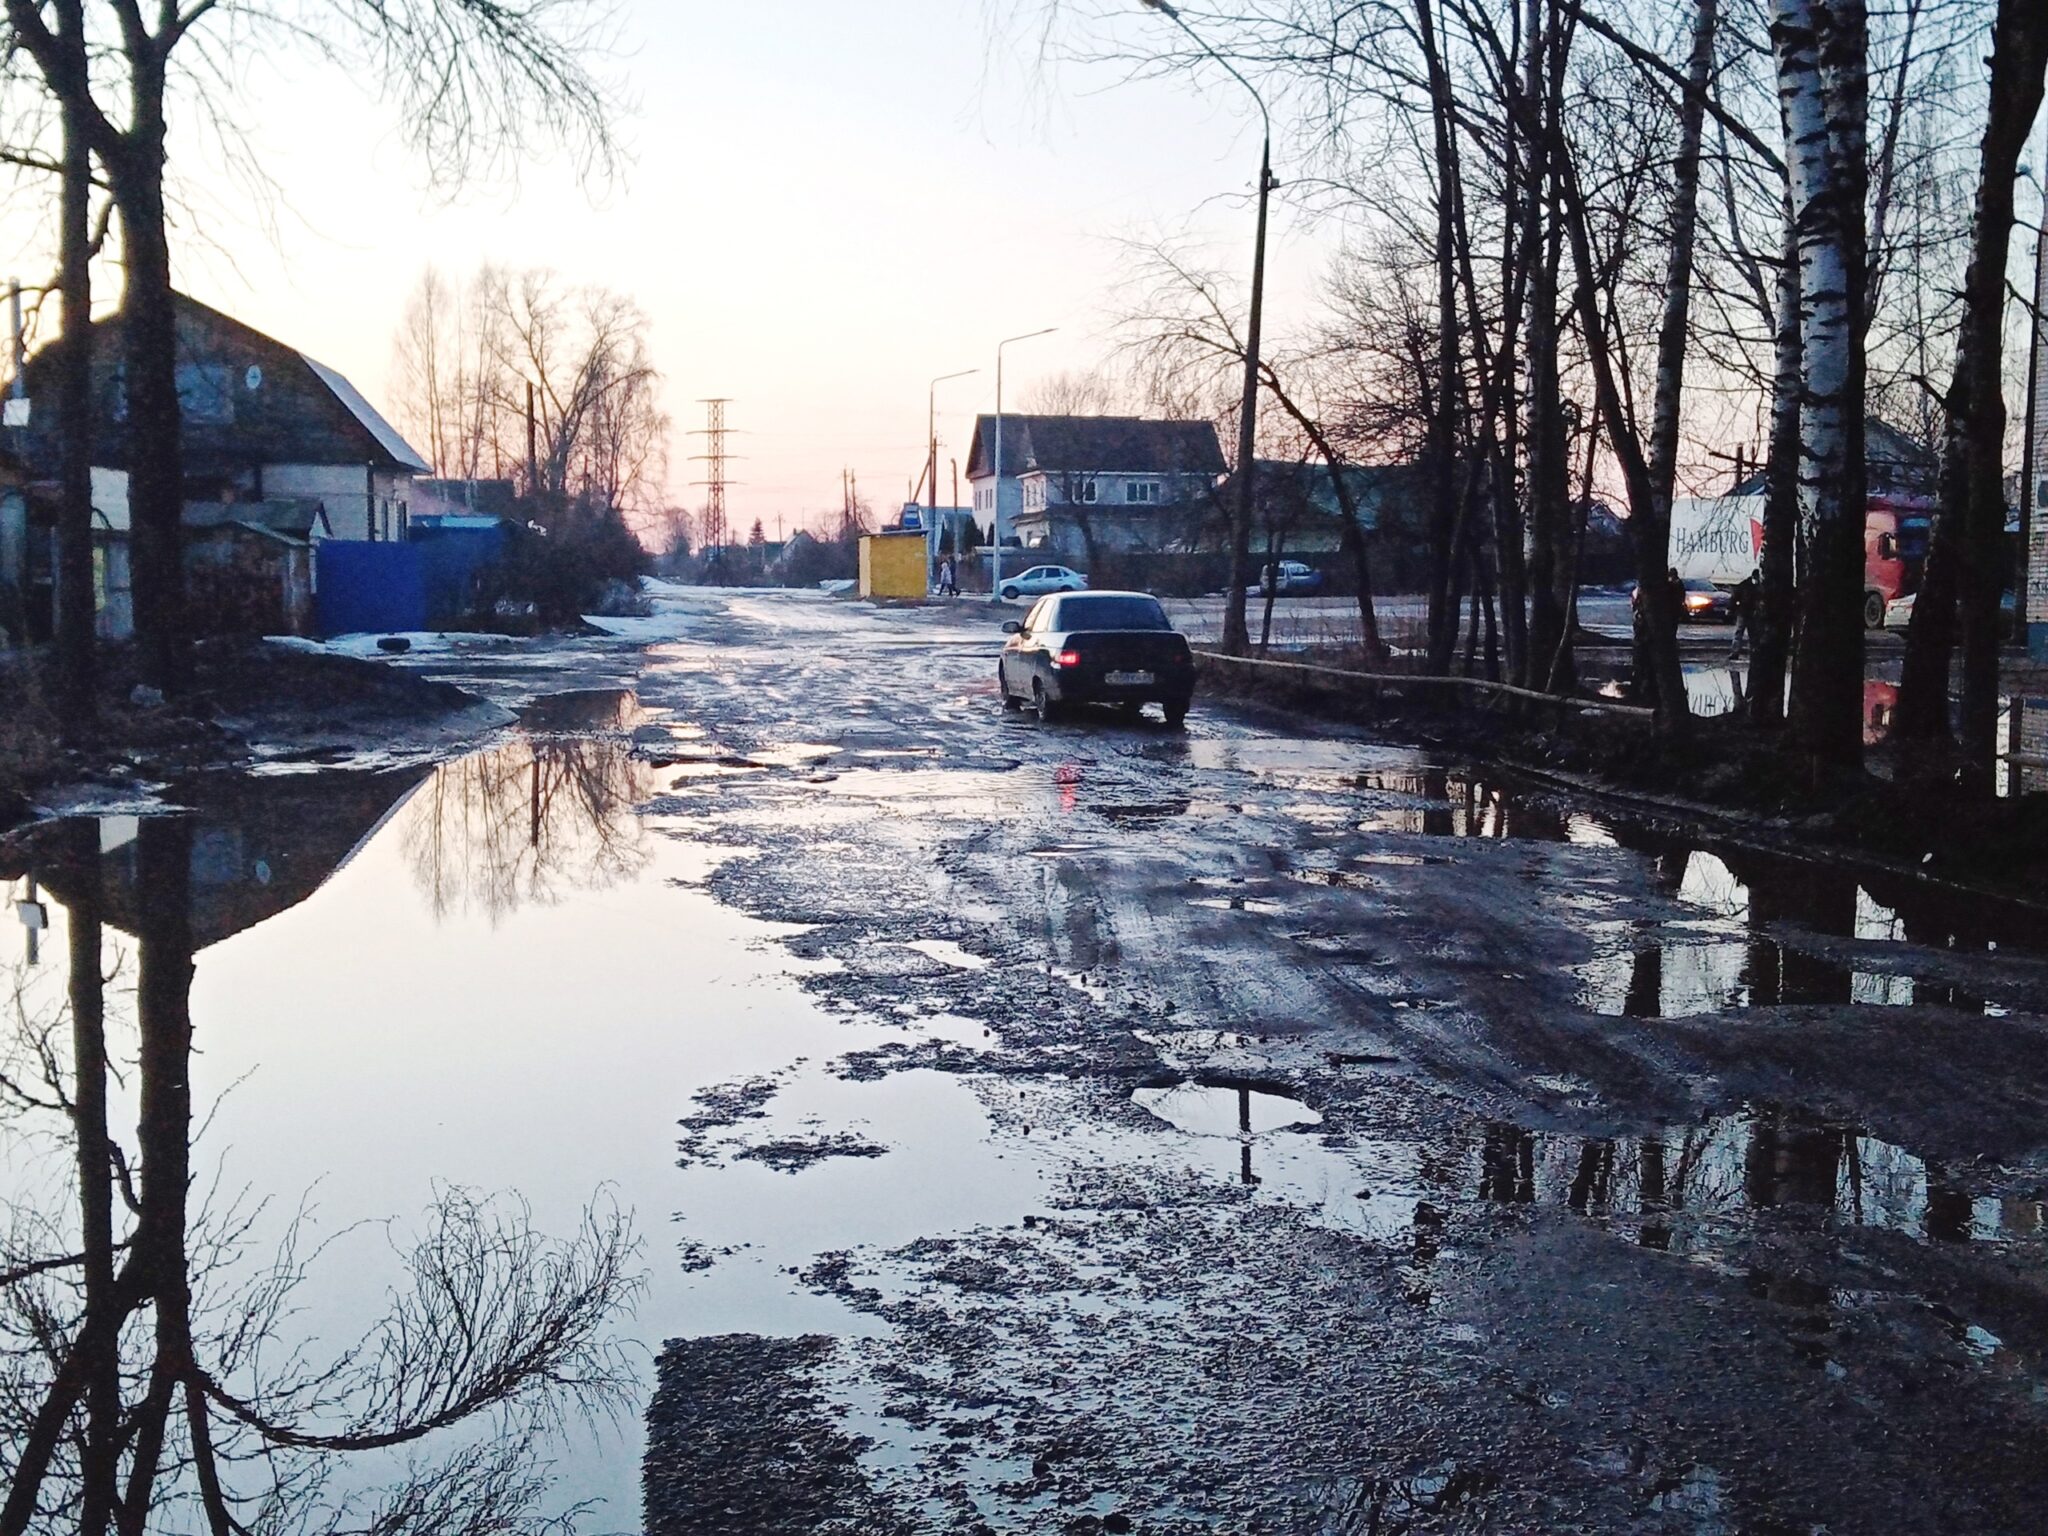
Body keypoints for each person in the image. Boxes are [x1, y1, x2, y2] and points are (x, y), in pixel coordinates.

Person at [1728, 570, 1759, 659]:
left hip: (1750, 613)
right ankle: (1735, 652)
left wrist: (1731, 608)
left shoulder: (1748, 585)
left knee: (1751, 634)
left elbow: (1734, 597)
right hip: (1745, 613)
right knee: (1740, 633)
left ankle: (1752, 653)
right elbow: (1735, 597)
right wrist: (1730, 608)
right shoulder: (1745, 585)